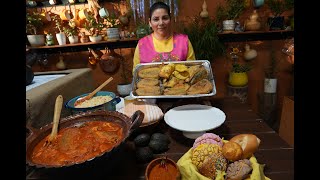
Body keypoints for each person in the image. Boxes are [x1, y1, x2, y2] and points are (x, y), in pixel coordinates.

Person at [132, 1, 196, 72]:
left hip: (179, 83)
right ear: (150, 22)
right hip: (150, 83)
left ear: (170, 19)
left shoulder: (184, 41)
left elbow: (192, 69)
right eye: (156, 19)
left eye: (165, 18)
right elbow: (136, 73)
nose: (161, 23)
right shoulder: (142, 45)